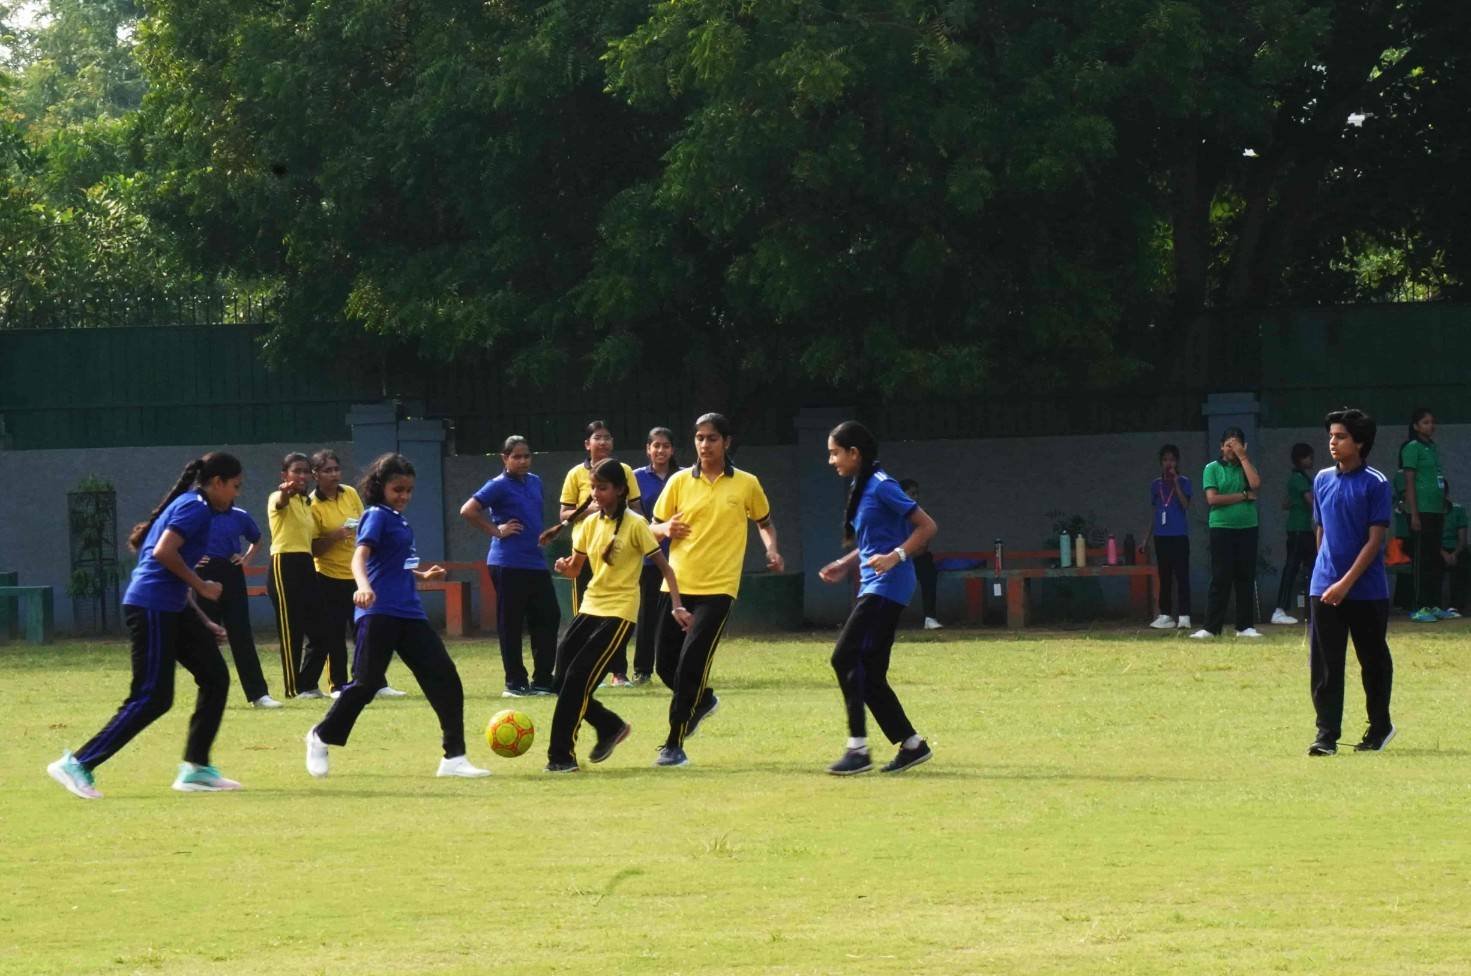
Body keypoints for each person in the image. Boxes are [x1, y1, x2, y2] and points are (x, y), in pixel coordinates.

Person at [47, 453, 246, 799]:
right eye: (235, 486)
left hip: (171, 606)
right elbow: (163, 553)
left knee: (215, 676)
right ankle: (77, 763)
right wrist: (202, 586)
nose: (236, 494)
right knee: (153, 697)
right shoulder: (196, 508)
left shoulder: (194, 505)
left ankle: (196, 768)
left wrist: (202, 621)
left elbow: (171, 566)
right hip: (151, 606)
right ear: (217, 483)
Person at [304, 453, 491, 780]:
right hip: (379, 612)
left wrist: (421, 575)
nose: (404, 496)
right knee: (366, 684)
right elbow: (359, 558)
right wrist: (363, 587)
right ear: (381, 487)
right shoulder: (376, 515)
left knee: (445, 678)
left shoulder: (398, 519)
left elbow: (391, 564)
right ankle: (320, 735)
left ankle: (454, 758)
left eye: (409, 490)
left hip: (410, 613)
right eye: (397, 489)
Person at [649, 412, 783, 768]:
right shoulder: (678, 481)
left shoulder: (746, 484)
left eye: (711, 438)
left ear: (726, 442)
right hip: (676, 587)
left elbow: (765, 523)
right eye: (699, 438)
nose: (704, 445)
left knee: (690, 665)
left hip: (719, 589)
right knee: (665, 666)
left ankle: (673, 745)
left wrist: (771, 549)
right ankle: (704, 700)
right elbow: (652, 528)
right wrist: (665, 530)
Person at [540, 459, 692, 772]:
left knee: (578, 679)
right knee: (560, 680)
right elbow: (576, 569)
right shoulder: (588, 525)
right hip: (589, 607)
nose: (596, 493)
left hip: (619, 613)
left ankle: (561, 757)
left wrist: (677, 605)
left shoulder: (636, 524)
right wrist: (565, 567)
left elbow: (666, 569)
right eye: (593, 487)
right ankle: (609, 725)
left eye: (603, 488)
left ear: (620, 490)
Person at [819, 423, 937, 775]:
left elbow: (927, 526)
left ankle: (858, 749)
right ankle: (912, 745)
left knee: (844, 657)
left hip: (888, 586)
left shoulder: (883, 485)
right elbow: (874, 541)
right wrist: (845, 563)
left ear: (854, 453)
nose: (831, 461)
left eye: (835, 453)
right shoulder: (862, 485)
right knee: (869, 672)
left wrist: (896, 556)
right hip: (875, 585)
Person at [1307, 408, 1395, 756]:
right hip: (1324, 587)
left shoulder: (1376, 483)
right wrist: (1325, 574)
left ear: (1359, 442)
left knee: (1372, 660)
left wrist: (1345, 583)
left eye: (1341, 436)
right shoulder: (1321, 479)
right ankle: (1326, 735)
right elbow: (1321, 530)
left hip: (1366, 590)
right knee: (1326, 663)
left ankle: (1380, 726)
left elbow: (1375, 542)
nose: (1333, 442)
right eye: (1331, 436)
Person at [304, 449, 406, 700]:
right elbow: (313, 547)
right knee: (334, 634)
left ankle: (375, 681)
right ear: (315, 474)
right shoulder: (312, 503)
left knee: (367, 630)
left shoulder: (349, 493)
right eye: (327, 470)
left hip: (357, 576)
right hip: (328, 576)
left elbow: (365, 523)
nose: (334, 474)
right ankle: (338, 685)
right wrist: (335, 536)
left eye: (336, 469)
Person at [460, 435, 559, 698]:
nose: (523, 461)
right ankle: (515, 683)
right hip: (508, 563)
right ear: (505, 458)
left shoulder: (535, 482)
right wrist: (496, 530)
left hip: (536, 561)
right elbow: (468, 510)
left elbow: (532, 517)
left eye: (526, 456)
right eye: (517, 456)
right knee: (511, 623)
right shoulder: (497, 485)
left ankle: (543, 681)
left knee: (548, 616)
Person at [559, 420, 643, 686]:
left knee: (617, 616)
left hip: (617, 551)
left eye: (607, 437)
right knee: (586, 617)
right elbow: (564, 514)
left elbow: (636, 507)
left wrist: (640, 534)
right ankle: (583, 671)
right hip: (585, 552)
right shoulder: (575, 474)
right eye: (598, 437)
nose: (603, 442)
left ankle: (619, 672)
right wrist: (591, 511)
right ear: (587, 444)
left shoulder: (624, 470)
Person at [196, 499, 280, 708]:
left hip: (231, 572)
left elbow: (257, 539)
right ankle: (211, 694)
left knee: (241, 634)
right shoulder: (196, 513)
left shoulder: (239, 515)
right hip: (204, 574)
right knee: (206, 637)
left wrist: (246, 558)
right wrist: (192, 559)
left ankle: (259, 694)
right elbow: (175, 540)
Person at [1191, 427, 1263, 639]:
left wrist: (1243, 457)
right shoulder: (1212, 468)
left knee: (1245, 576)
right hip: (1221, 527)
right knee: (1221, 576)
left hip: (1248, 526)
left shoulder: (1245, 466)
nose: (1232, 449)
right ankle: (1211, 627)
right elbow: (1213, 499)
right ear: (1221, 447)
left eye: (1237, 444)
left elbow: (1255, 484)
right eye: (1229, 445)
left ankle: (1245, 626)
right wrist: (1243, 496)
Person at [266, 452, 322, 698]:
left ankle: (307, 684)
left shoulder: (307, 503)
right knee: (292, 630)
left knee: (322, 629)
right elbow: (281, 501)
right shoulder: (278, 496)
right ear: (284, 475)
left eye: (306, 471)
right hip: (284, 563)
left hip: (306, 563)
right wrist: (285, 493)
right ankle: (292, 689)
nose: (302, 475)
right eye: (296, 471)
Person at [631, 427, 678, 681]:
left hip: (681, 556)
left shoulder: (684, 476)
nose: (661, 450)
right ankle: (643, 670)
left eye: (665, 446)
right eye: (656, 445)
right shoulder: (636, 477)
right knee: (647, 614)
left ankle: (678, 667)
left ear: (673, 450)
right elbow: (634, 514)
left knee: (678, 613)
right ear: (648, 449)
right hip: (649, 557)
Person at [1400, 407, 1450, 622]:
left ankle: (1434, 604)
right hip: (1421, 511)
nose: (1431, 426)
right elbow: (1409, 481)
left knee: (1435, 559)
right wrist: (1414, 514)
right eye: (1426, 422)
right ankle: (1419, 606)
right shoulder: (1412, 448)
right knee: (1422, 560)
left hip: (1436, 510)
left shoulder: (1432, 447)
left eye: (1432, 422)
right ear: (1416, 426)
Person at [1147, 444, 1193, 630]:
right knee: (1164, 576)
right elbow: (1155, 512)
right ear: (1160, 462)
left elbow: (1185, 505)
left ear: (1177, 462)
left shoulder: (1184, 481)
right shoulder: (1155, 485)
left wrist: (1175, 482)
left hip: (1179, 535)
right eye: (1165, 460)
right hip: (1161, 535)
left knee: (1182, 575)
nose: (1168, 463)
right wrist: (1146, 537)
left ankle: (1184, 615)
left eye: (1172, 460)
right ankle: (1165, 614)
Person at [1270, 442, 1316, 626]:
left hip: (1302, 528)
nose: (1311, 460)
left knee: (1311, 567)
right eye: (1308, 457)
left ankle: (1313, 607)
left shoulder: (1300, 477)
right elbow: (1310, 501)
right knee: (1292, 568)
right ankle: (1280, 609)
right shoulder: (1298, 478)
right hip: (1299, 529)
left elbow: (1286, 503)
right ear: (1300, 459)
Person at [899, 479, 942, 630]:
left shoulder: (922, 514)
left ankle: (930, 618)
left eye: (917, 494)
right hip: (897, 558)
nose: (915, 497)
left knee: (928, 571)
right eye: (912, 493)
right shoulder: (893, 514)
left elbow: (923, 544)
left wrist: (909, 553)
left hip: (917, 557)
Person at [1439, 482, 1468, 615]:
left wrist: (1454, 554)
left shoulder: (1458, 510)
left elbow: (1463, 539)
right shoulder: (1430, 512)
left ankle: (1456, 605)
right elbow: (1430, 539)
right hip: (1438, 549)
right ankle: (1433, 604)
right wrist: (1443, 553)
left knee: (1463, 562)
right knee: (1429, 561)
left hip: (1455, 548)